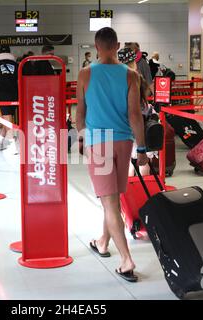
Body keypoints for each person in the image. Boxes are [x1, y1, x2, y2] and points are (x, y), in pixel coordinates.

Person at [76, 27, 148, 283]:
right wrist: (141, 149)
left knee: (110, 203)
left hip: (100, 142)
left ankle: (126, 260)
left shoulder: (85, 73)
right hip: (124, 140)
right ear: (117, 46)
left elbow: (80, 113)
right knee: (113, 200)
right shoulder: (131, 75)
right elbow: (135, 115)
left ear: (96, 47)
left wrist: (83, 138)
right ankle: (103, 241)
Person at [119, 49, 154, 176]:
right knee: (144, 161)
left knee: (127, 161)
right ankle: (144, 190)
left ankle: (129, 192)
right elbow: (144, 97)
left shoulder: (115, 78)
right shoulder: (136, 77)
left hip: (122, 125)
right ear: (134, 61)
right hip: (139, 122)